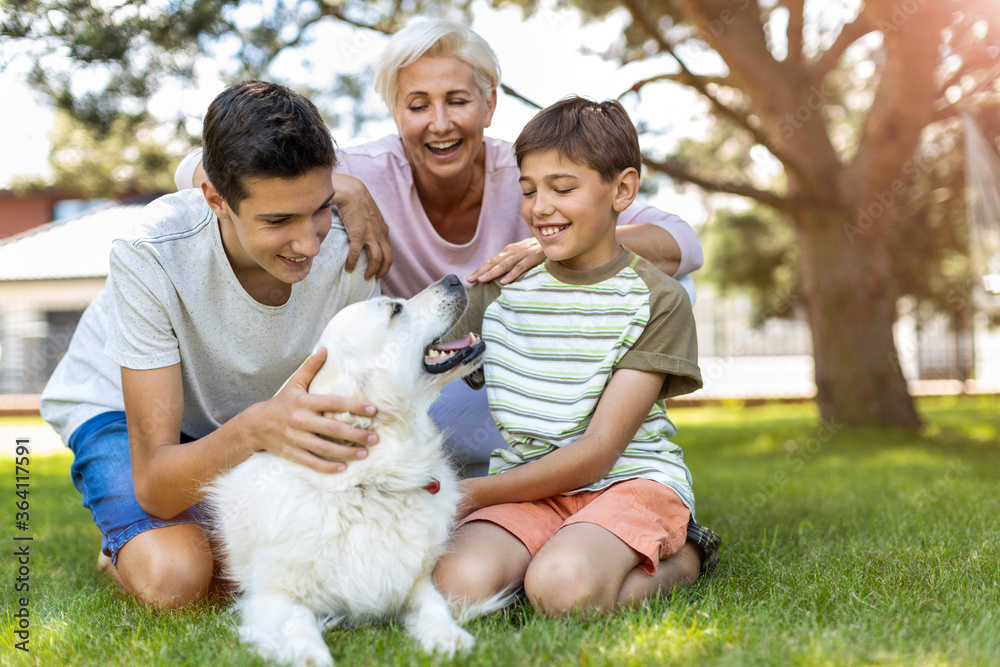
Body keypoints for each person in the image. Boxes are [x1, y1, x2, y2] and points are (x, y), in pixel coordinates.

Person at [174, 19, 718, 580]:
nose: (439, 123)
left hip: (525, 375)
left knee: (666, 282)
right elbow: (196, 167)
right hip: (434, 379)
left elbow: (684, 242)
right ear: (395, 113)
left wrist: (552, 246)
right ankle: (513, 505)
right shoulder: (360, 171)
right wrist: (343, 189)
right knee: (455, 576)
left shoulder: (532, 172)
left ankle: (628, 492)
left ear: (489, 104)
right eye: (417, 104)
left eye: (457, 100)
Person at [40, 81, 382, 608]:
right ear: (215, 199)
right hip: (121, 411)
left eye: (320, 208)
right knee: (177, 579)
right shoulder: (151, 252)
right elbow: (157, 479)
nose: (310, 242)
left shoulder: (347, 249)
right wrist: (253, 429)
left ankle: (139, 532)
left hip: (254, 423)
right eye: (277, 221)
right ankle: (122, 544)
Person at [433, 97, 705, 614]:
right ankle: (556, 548)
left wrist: (469, 493)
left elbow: (600, 450)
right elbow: (411, 349)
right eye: (529, 190)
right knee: (453, 590)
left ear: (622, 189)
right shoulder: (502, 290)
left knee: (563, 592)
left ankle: (684, 553)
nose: (540, 207)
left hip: (627, 483)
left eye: (562, 188)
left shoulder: (656, 299)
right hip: (530, 485)